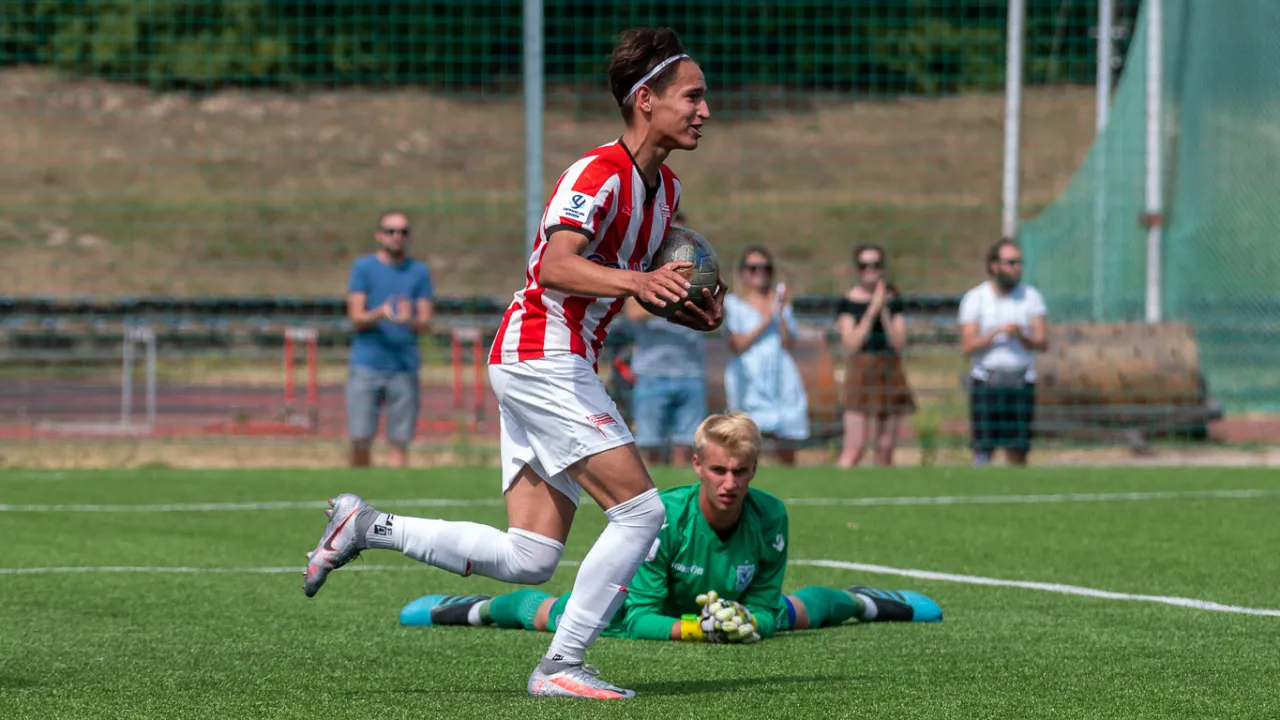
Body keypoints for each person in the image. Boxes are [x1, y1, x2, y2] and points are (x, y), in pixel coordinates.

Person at [302, 27, 724, 701]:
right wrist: (639, 285)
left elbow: (637, 277)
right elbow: (557, 265)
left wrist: (685, 304)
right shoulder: (597, 174)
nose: (706, 110)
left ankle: (368, 526)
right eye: (692, 96)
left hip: (553, 358)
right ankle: (561, 665)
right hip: (542, 354)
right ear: (645, 99)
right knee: (642, 515)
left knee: (531, 557)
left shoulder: (666, 191)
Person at [400, 413, 941, 642]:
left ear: (754, 470)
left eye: (742, 472)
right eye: (719, 470)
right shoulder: (664, 516)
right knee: (548, 612)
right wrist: (697, 630)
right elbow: (640, 619)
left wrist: (746, 620)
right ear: (698, 467)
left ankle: (868, 602)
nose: (730, 483)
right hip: (646, 608)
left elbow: (769, 606)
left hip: (726, 608)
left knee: (807, 611)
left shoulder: (770, 513)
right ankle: (467, 609)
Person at [344, 211, 435, 468]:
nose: (397, 236)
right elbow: (356, 317)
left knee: (399, 440)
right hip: (367, 364)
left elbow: (426, 322)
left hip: (404, 367)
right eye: (391, 231)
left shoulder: (419, 272)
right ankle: (357, 499)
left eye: (403, 232)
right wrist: (381, 312)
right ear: (379, 235)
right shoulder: (364, 268)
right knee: (360, 437)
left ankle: (393, 498)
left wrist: (408, 320)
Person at [622, 211, 708, 467]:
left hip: (690, 373)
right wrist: (673, 297)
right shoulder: (643, 273)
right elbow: (633, 312)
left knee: (687, 448)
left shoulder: (702, 272)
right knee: (650, 449)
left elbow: (710, 315)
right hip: (651, 373)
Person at [958, 239, 1048, 467]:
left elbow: (1042, 341)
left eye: (1019, 262)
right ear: (994, 266)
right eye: (1010, 262)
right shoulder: (975, 298)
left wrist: (1021, 335)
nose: (1016, 268)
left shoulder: (1031, 297)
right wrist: (995, 333)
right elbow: (967, 346)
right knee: (982, 450)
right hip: (986, 381)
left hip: (1021, 381)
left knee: (1018, 451)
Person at [723, 246, 809, 466]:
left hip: (781, 373)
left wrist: (779, 313)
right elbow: (737, 344)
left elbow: (789, 343)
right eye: (753, 268)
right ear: (743, 272)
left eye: (765, 268)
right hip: (748, 376)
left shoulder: (780, 303)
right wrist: (766, 319)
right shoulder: (734, 304)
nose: (759, 273)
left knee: (786, 434)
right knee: (746, 438)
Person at [836, 244, 914, 468]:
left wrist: (884, 309)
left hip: (890, 369)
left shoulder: (894, 300)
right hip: (861, 370)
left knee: (885, 448)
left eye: (876, 265)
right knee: (855, 446)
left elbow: (899, 342)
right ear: (857, 269)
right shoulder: (848, 301)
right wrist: (872, 310)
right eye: (864, 265)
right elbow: (851, 343)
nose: (870, 270)